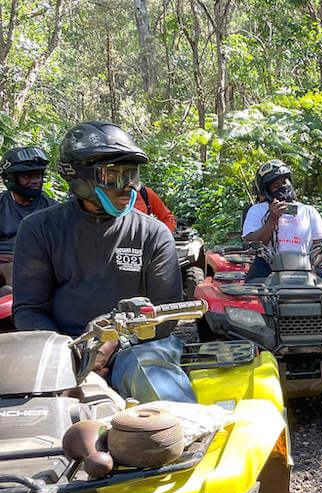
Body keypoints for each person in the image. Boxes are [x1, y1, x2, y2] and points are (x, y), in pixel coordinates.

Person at [12, 121, 195, 403]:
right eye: (112, 175)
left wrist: (116, 342)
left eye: (131, 174)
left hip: (139, 346)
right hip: (63, 348)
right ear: (77, 176)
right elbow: (28, 310)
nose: (128, 188)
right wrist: (73, 353)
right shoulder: (39, 229)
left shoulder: (153, 233)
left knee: (149, 372)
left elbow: (164, 315)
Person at [241, 159, 322, 279]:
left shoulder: (308, 211)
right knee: (251, 293)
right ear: (267, 191)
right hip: (267, 267)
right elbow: (250, 242)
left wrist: (311, 266)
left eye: (285, 183)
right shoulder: (257, 210)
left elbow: (321, 246)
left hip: (306, 266)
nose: (283, 187)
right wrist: (272, 219)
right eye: (276, 186)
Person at [1, 147, 56, 284]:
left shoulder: (51, 207)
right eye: (27, 176)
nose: (35, 181)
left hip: (38, 269)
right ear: (11, 178)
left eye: (37, 176)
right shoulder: (2, 205)